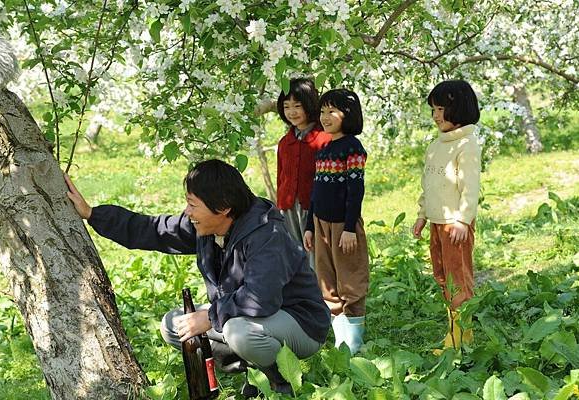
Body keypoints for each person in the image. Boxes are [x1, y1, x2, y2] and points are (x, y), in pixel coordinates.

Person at [65, 159, 331, 397]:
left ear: (224, 207)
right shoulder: (205, 225)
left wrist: (209, 317)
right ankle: (253, 371)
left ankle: (280, 385)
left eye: (193, 205)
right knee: (175, 326)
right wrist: (92, 214)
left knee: (237, 331)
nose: (187, 212)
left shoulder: (266, 234)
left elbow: (261, 299)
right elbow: (153, 230)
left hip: (299, 323)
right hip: (248, 317)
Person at [411, 79, 482, 353]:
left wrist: (463, 219)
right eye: (433, 109)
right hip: (437, 223)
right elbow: (428, 184)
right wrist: (422, 215)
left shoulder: (467, 145)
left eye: (441, 108)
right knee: (442, 276)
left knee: (458, 278)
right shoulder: (436, 146)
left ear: (460, 108)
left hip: (455, 225)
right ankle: (453, 330)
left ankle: (463, 337)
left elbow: (470, 187)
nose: (436, 115)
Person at [303, 89, 369, 355]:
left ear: (348, 115)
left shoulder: (352, 148)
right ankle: (341, 342)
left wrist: (350, 228)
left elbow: (356, 190)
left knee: (350, 279)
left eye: (332, 111)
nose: (325, 117)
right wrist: (309, 226)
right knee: (327, 281)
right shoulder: (323, 150)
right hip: (321, 225)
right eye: (322, 111)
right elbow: (315, 193)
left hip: (344, 226)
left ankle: (354, 342)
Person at [276, 78, 330, 257]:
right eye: (286, 106)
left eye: (297, 106)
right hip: (288, 209)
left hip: (314, 208)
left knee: (315, 257)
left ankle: (318, 286)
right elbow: (280, 177)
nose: (291, 112)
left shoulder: (324, 139)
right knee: (293, 258)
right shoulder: (285, 143)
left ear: (309, 104)